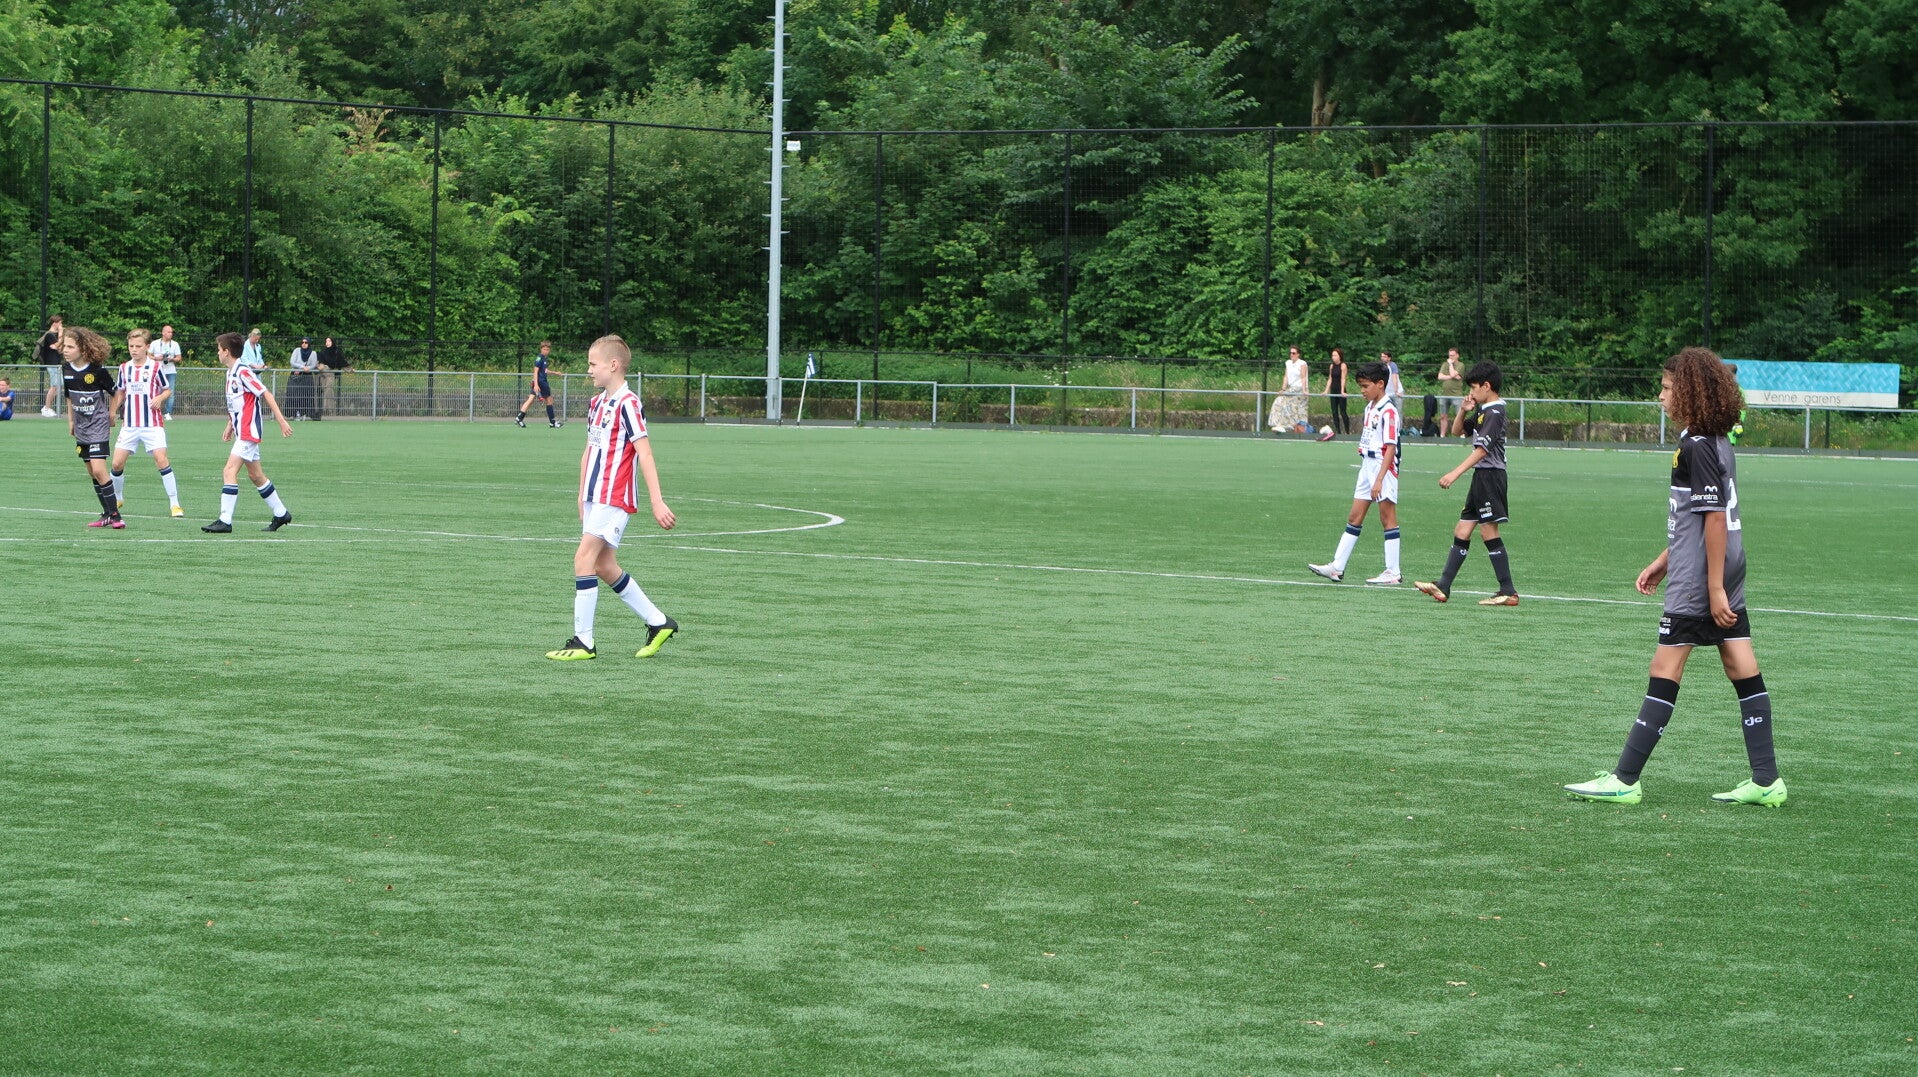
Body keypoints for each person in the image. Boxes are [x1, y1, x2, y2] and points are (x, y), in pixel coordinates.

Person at [1564, 347, 1785, 808]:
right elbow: (1698, 518)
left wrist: (1712, 587)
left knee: (1665, 668)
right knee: (1740, 664)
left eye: (1666, 388)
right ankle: (1767, 779)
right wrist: (1665, 559)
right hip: (1721, 565)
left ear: (1688, 392)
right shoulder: (1715, 439)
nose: (1660, 396)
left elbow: (1714, 519)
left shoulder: (1696, 445)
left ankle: (1625, 779)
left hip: (1703, 574)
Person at [546, 335, 678, 661]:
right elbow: (589, 450)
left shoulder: (628, 404)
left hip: (614, 495)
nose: (589, 370)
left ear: (613, 365)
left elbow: (645, 453)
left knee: (583, 558)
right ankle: (659, 622)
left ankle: (584, 642)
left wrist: (657, 501)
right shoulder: (597, 404)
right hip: (595, 495)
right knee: (603, 565)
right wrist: (581, 494)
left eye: (593, 364)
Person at [1415, 361, 1518, 606]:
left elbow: (1482, 450)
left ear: (1486, 386)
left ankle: (1508, 591)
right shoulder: (1483, 410)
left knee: (1488, 531)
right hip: (1481, 477)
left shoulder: (1495, 412)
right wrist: (1463, 410)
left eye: (1473, 387)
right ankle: (1443, 585)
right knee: (1462, 530)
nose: (1471, 392)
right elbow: (1457, 431)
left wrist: (1455, 473)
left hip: (1491, 476)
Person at [1308, 362, 1402, 585]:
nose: (1362, 390)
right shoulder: (1370, 407)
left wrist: (1379, 479)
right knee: (1354, 517)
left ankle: (1393, 572)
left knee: (1387, 517)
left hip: (1382, 466)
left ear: (1381, 384)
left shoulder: (1389, 411)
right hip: (1367, 465)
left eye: (1366, 386)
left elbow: (1390, 447)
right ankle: (1337, 567)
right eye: (1360, 386)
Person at [203, 331, 294, 533]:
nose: (217, 353)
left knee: (229, 471)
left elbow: (265, 393)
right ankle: (281, 513)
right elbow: (237, 403)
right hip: (241, 430)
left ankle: (225, 520)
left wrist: (281, 421)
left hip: (248, 430)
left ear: (226, 352)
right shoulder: (230, 372)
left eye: (219, 349)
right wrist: (230, 425)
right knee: (256, 475)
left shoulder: (243, 371)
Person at [108, 328, 184, 518]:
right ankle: (118, 497)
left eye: (138, 346)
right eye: (131, 346)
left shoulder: (155, 367)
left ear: (147, 347)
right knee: (116, 464)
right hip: (130, 424)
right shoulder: (124, 368)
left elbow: (167, 389)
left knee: (161, 460)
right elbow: (120, 391)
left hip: (152, 424)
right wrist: (112, 411)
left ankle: (175, 504)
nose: (134, 349)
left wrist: (160, 398)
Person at [60, 325, 123, 528]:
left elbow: (117, 393)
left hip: (98, 425)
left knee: (99, 469)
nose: (66, 350)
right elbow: (69, 397)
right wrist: (71, 421)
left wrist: (111, 413)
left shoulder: (97, 370)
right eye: (64, 346)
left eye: (70, 347)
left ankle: (116, 516)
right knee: (92, 472)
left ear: (83, 348)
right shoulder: (66, 369)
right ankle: (106, 513)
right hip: (81, 427)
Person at [1267, 346, 1318, 437]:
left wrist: (1304, 390)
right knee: (1278, 402)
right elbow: (1286, 377)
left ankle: (1299, 429)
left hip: (1299, 389)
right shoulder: (1288, 363)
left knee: (1297, 410)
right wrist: (1283, 389)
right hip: (1291, 389)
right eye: (1290, 353)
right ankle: (1280, 425)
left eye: (1294, 353)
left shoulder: (1302, 363)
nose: (1291, 355)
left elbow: (1303, 377)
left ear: (1298, 354)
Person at [516, 341, 561, 428]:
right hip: (541, 382)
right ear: (541, 349)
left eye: (547, 349)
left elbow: (545, 370)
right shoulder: (540, 358)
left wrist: (555, 372)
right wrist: (536, 385)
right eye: (544, 349)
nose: (546, 351)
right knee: (549, 400)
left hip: (539, 381)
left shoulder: (544, 358)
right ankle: (552, 422)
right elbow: (535, 371)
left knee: (531, 399)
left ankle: (519, 418)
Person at [150, 324, 182, 418]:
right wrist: (156, 358)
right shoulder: (155, 343)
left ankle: (168, 413)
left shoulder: (175, 344)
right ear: (163, 333)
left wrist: (171, 359)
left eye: (171, 332)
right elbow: (148, 355)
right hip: (157, 371)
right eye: (168, 332)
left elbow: (179, 358)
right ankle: (154, 411)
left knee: (170, 392)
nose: (170, 334)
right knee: (156, 391)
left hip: (170, 371)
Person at [288, 336, 321, 420]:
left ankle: (304, 413)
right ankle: (294, 413)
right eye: (302, 342)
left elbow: (313, 365)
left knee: (306, 394)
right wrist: (302, 367)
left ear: (309, 344)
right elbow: (292, 362)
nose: (304, 344)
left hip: (307, 376)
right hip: (296, 376)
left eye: (306, 342)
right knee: (294, 394)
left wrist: (307, 368)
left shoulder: (313, 353)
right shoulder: (296, 350)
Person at [38, 314, 64, 417]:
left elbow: (60, 348)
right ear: (55, 323)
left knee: (59, 385)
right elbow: (56, 346)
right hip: (52, 363)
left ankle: (48, 407)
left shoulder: (56, 336)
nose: (61, 326)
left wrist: (58, 345)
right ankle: (46, 408)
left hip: (57, 363)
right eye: (60, 323)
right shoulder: (49, 335)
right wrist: (61, 334)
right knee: (54, 386)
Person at [1322, 348, 1350, 436]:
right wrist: (1326, 391)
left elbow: (1343, 379)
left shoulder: (1343, 365)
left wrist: (1342, 391)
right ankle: (1338, 431)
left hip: (1340, 390)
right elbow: (1330, 379)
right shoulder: (1331, 366)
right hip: (1333, 390)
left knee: (1343, 412)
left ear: (1339, 356)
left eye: (1335, 355)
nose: (1333, 357)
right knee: (1334, 412)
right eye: (1332, 355)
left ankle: (1347, 431)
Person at [1436, 347, 1464, 420]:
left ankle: (1458, 428)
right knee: (1443, 416)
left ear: (1457, 355)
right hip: (1444, 394)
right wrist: (1452, 376)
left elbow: (1452, 374)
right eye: (1449, 355)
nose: (1451, 357)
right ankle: (1443, 429)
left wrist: (1451, 364)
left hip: (1456, 395)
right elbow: (1440, 377)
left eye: (1453, 355)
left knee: (1459, 416)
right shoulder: (1445, 364)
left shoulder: (1461, 365)